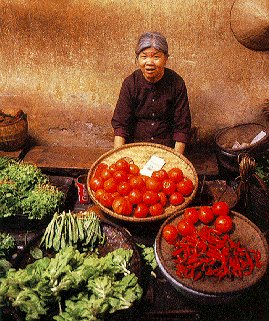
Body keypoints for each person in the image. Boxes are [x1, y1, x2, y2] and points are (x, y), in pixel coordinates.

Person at [111, 31, 191, 154]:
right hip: (136, 146)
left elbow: (182, 127)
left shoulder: (177, 83)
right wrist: (118, 157)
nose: (149, 62)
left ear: (166, 59)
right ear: (137, 58)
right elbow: (121, 125)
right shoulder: (130, 83)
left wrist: (176, 159)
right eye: (144, 56)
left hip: (167, 148)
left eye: (156, 57)